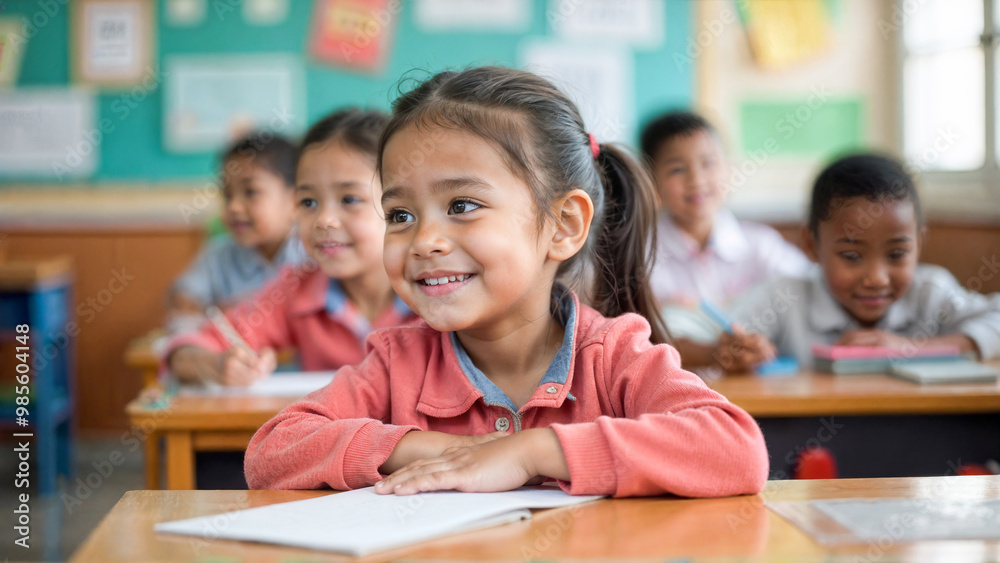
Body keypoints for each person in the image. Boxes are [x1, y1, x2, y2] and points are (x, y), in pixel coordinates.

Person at [245, 67, 768, 498]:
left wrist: (533, 451)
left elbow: (734, 448)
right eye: (400, 214)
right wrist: (422, 449)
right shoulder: (397, 362)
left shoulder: (612, 356)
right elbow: (271, 451)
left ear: (563, 226)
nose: (424, 240)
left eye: (462, 206)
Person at [165, 108, 415, 386]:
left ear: (399, 205)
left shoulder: (434, 289)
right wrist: (215, 364)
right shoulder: (296, 290)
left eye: (349, 199)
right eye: (308, 202)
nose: (323, 220)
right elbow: (187, 349)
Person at [730, 153, 1000, 366]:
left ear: (919, 244)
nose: (876, 279)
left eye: (896, 255)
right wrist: (728, 352)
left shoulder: (930, 292)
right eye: (851, 256)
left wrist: (911, 349)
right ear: (811, 244)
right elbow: (713, 339)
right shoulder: (783, 298)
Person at [639, 111, 810, 372]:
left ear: (729, 169)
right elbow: (641, 339)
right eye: (677, 169)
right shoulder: (641, 255)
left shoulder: (761, 245)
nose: (696, 181)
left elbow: (810, 286)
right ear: (650, 180)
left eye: (708, 164)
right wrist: (713, 352)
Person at [167, 133, 306, 324]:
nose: (233, 207)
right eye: (227, 195)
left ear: (295, 202)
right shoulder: (217, 255)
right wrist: (210, 312)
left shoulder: (313, 256)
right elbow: (182, 300)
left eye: (251, 192)